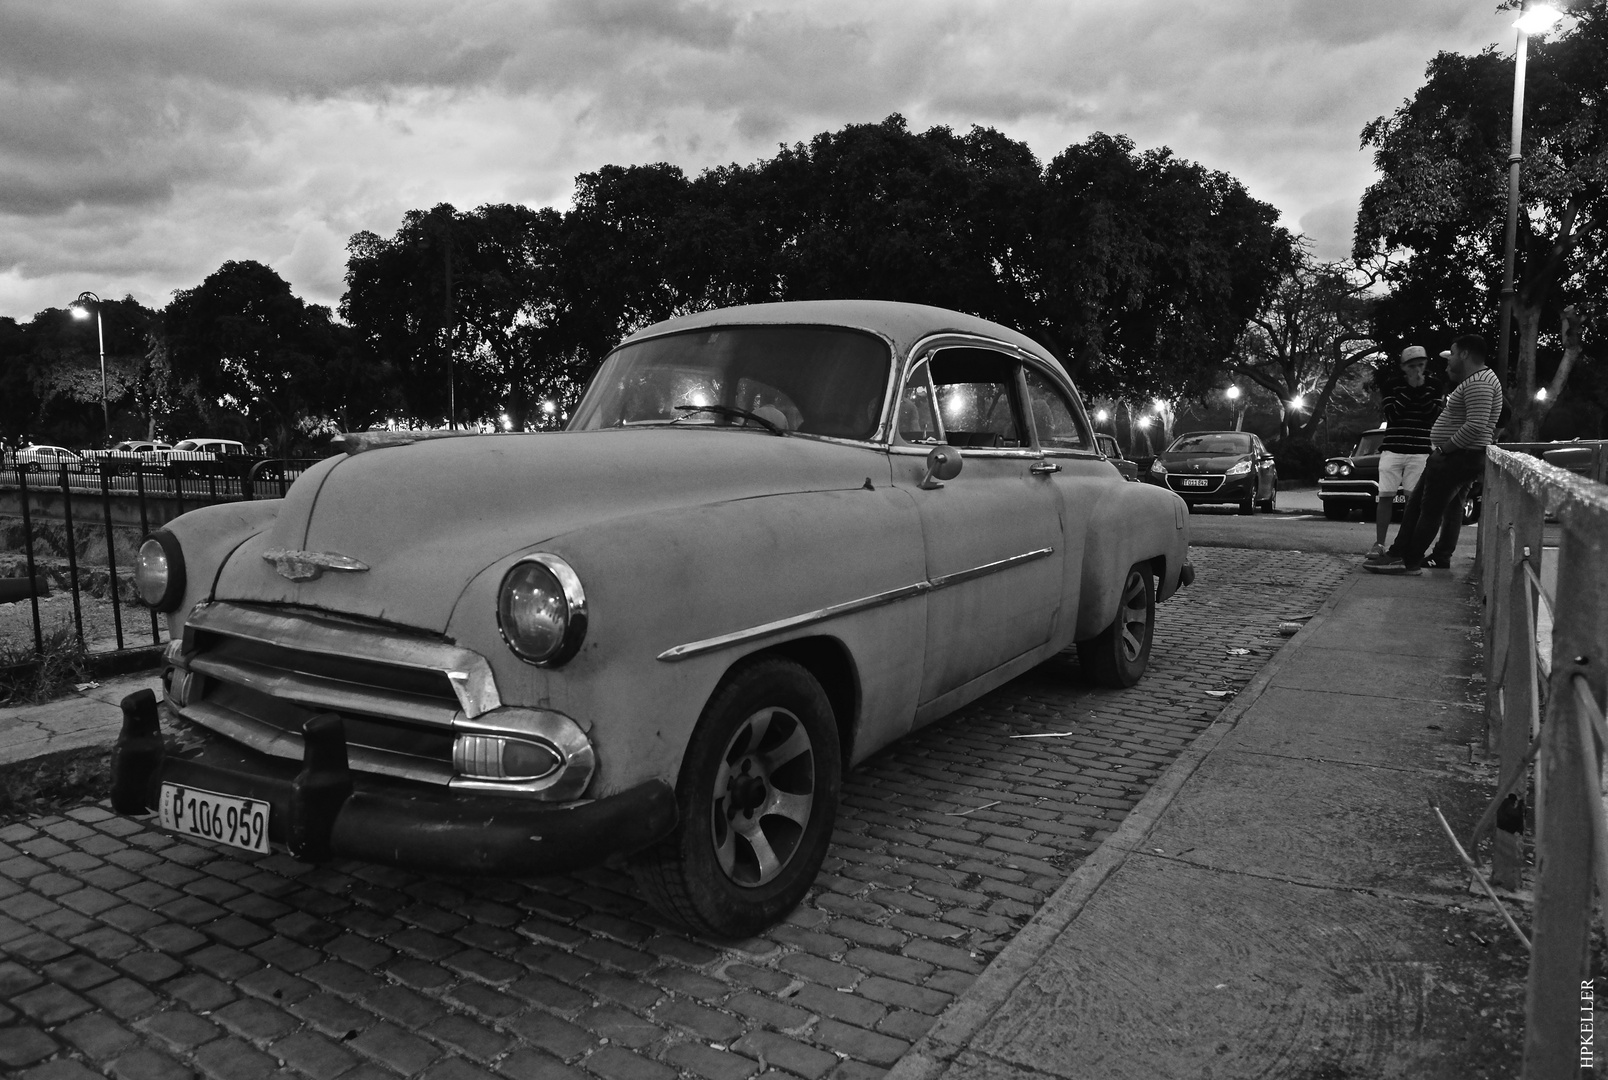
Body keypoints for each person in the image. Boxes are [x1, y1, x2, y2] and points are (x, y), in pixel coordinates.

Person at [1365, 334, 1503, 575]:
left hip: (1458, 456)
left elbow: (1476, 425)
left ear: (1465, 354)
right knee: (1418, 506)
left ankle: (1408, 560)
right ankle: (1400, 553)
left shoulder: (1479, 383)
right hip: (1455, 455)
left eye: (1453, 353)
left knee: (1428, 511)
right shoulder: (1479, 380)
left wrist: (1445, 448)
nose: (1448, 361)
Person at [1368, 346, 1439, 558]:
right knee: (1386, 496)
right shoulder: (1392, 385)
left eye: (1420, 365)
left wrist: (1422, 390)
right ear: (1403, 367)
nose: (1417, 369)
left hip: (1419, 450)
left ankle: (1407, 544)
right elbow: (1392, 414)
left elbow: (1433, 415)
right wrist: (1410, 389)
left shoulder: (1434, 385)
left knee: (1413, 500)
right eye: (1412, 366)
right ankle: (1379, 543)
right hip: (1393, 447)